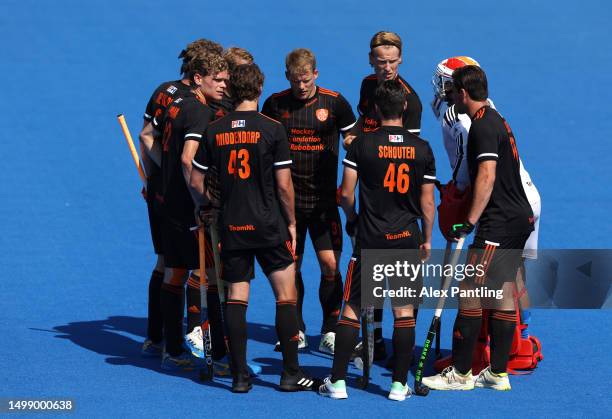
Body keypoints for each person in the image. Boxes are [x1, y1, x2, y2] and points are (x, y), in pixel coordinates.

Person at [190, 63, 317, 393]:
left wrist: (208, 205)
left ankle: (239, 377)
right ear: (260, 89)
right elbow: (285, 186)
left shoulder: (215, 131)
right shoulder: (272, 129)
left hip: (232, 225)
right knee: (285, 296)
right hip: (269, 225)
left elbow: (195, 178)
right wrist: (290, 221)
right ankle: (290, 374)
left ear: (231, 91)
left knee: (236, 297)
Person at [318, 79, 436, 401]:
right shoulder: (422, 149)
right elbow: (428, 203)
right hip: (406, 240)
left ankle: (338, 382)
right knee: (403, 312)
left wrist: (353, 220)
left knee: (352, 309)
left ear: (374, 109)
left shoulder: (362, 145)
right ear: (406, 109)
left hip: (369, 240)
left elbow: (345, 194)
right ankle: (399, 385)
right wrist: (426, 239)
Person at [422, 65, 534, 391]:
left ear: (464, 94)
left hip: (498, 223)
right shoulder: (498, 120)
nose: (452, 98)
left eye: (455, 93)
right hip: (518, 219)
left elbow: (486, 177)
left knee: (470, 291)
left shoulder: (482, 126)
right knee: (500, 293)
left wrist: (468, 221)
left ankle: (460, 373)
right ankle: (497, 373)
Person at [261, 48, 357, 354]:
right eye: (295, 80)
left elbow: (353, 139)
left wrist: (354, 146)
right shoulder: (275, 104)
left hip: (324, 203)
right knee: (293, 266)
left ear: (315, 74)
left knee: (330, 265)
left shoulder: (335, 102)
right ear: (286, 75)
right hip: (287, 203)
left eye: (306, 80)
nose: (301, 86)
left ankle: (330, 329)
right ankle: (296, 330)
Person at [138, 39, 223, 357]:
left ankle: (155, 337)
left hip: (159, 191)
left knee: (165, 262)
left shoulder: (165, 92)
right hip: (182, 196)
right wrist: (175, 175)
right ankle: (181, 341)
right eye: (219, 77)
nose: (224, 84)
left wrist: (155, 175)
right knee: (190, 268)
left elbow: (147, 136)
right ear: (200, 72)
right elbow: (185, 158)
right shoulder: (198, 107)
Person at [345, 31, 423, 359]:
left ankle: (399, 348)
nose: (387, 68)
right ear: (370, 60)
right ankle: (373, 339)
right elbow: (363, 123)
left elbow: (404, 149)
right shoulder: (367, 85)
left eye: (392, 61)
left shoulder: (411, 101)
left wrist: (361, 145)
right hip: (370, 185)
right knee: (371, 275)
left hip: (397, 191)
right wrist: (354, 137)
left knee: (402, 285)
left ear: (401, 59)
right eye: (381, 62)